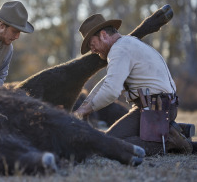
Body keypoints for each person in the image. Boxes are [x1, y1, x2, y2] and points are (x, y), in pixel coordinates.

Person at [73, 14, 195, 155]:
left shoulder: (119, 50)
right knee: (109, 140)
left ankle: (170, 142)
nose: (93, 50)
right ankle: (178, 130)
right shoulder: (129, 43)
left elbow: (111, 91)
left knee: (108, 144)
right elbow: (106, 82)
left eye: (92, 45)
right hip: (160, 106)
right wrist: (84, 106)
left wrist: (85, 110)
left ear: (103, 35)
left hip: (155, 109)